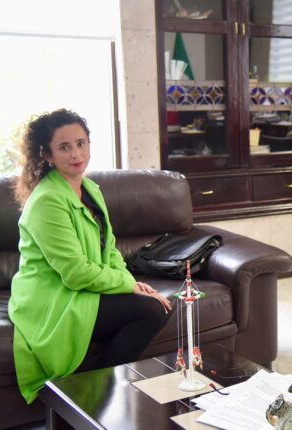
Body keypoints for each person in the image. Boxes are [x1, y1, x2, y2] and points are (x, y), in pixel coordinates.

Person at [9, 109, 172, 404]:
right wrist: (129, 286)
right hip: (54, 296)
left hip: (83, 288)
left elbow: (109, 249)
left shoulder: (89, 189)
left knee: (156, 305)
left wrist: (132, 283)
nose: (76, 154)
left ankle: (104, 391)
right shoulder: (47, 201)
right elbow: (75, 273)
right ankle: (91, 396)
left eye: (81, 143)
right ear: (47, 155)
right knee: (152, 311)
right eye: (64, 147)